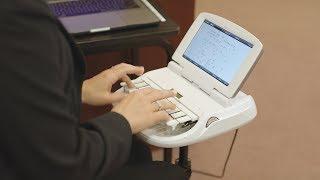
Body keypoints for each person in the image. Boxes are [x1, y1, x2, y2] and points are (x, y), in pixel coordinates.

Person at [0, 0, 187, 179]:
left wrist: (79, 91)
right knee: (168, 173)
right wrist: (123, 121)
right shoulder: (17, 20)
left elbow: (14, 93)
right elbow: (66, 165)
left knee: (135, 151)